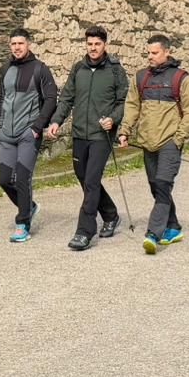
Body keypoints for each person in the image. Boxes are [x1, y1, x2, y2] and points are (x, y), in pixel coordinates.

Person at [46, 26, 129, 251]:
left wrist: (113, 119)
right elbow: (66, 98)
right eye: (90, 44)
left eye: (97, 44)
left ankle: (85, 231)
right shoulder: (78, 69)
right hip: (80, 133)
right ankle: (111, 215)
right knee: (84, 178)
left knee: (91, 180)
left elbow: (124, 102)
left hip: (101, 135)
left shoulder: (115, 71)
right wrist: (56, 121)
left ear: (105, 45)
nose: (93, 48)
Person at [118, 34, 189, 255]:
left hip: (170, 143)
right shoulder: (141, 78)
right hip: (147, 142)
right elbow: (132, 106)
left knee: (163, 184)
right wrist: (124, 130)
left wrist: (178, 138)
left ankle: (153, 233)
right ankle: (173, 226)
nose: (150, 57)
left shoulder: (181, 78)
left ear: (167, 52)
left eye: (154, 53)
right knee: (156, 187)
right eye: (148, 53)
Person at [0, 29, 57, 243]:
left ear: (28, 44)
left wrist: (38, 126)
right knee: (4, 179)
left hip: (28, 133)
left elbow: (51, 99)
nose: (17, 47)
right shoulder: (5, 69)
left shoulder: (40, 69)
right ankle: (29, 206)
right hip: (6, 134)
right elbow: (0, 98)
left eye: (21, 43)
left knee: (22, 178)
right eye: (13, 43)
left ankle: (22, 223)